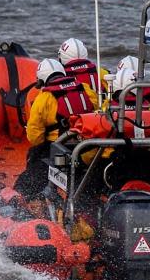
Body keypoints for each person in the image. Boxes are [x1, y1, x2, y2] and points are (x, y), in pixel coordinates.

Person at [15, 57, 96, 204]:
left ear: (42, 80)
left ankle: (29, 205)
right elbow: (98, 112)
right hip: (87, 151)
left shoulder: (43, 98)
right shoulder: (85, 88)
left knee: (27, 177)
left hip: (59, 154)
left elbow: (35, 138)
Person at [58, 37, 109, 103]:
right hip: (103, 109)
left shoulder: (61, 78)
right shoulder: (102, 73)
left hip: (79, 111)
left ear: (61, 57)